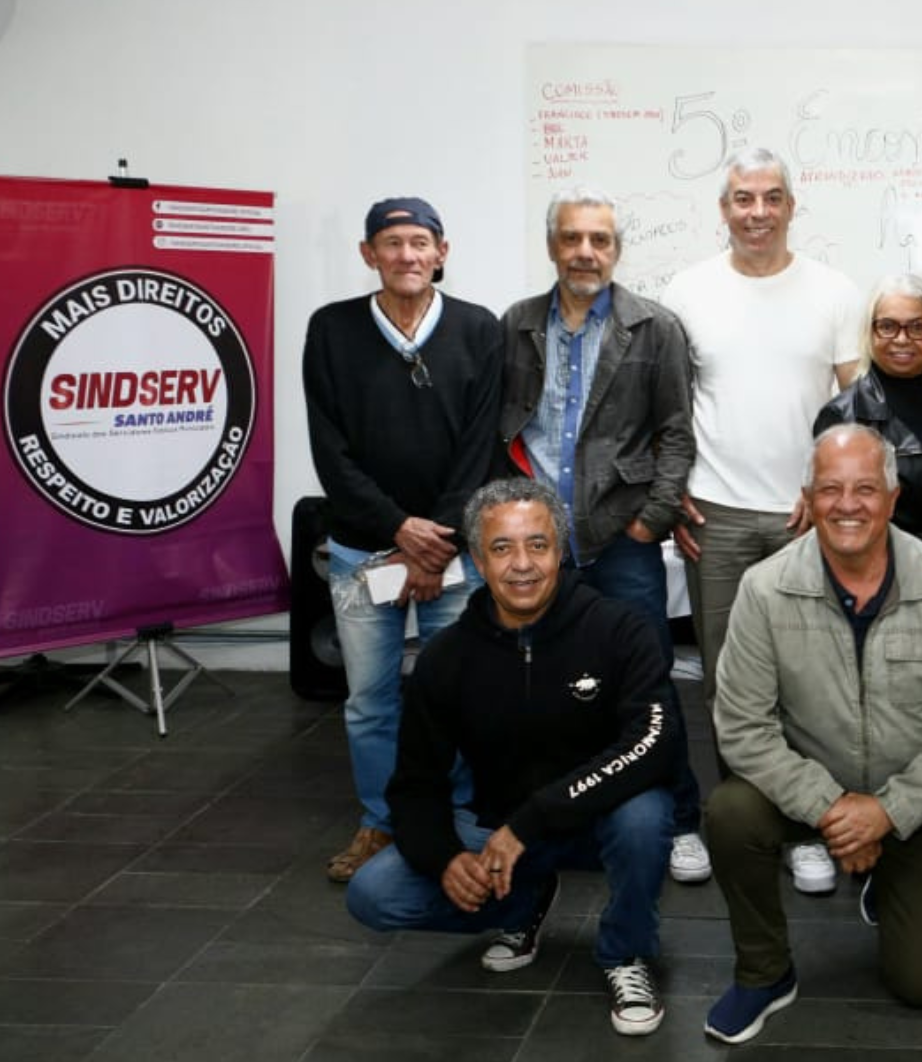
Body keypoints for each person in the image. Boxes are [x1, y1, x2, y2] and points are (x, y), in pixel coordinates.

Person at [701, 425, 922, 1043]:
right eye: (830, 490)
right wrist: (835, 809)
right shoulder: (764, 589)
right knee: (731, 812)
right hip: (806, 792)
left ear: (893, 499)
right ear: (807, 500)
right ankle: (764, 973)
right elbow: (742, 727)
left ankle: (888, 869)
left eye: (866, 489)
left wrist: (887, 812)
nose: (848, 505)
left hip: (917, 802)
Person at [345, 478, 677, 1036]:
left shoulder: (619, 629)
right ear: (479, 560)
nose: (522, 564)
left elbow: (653, 745)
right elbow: (415, 785)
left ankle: (626, 951)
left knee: (645, 816)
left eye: (537, 545)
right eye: (502, 548)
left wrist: (533, 820)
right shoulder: (447, 656)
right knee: (373, 895)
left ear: (560, 551)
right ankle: (523, 902)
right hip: (499, 833)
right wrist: (445, 859)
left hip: (596, 821)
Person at [661, 147, 864, 895]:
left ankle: (808, 827)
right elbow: (667, 402)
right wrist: (672, 488)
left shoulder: (834, 291)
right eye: (743, 198)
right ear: (723, 208)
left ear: (790, 206)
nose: (757, 212)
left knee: (809, 683)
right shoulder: (687, 291)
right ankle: (740, 822)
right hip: (713, 514)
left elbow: (856, 407)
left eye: (771, 197)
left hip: (805, 519)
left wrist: (827, 487)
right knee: (727, 683)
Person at [496, 185, 711, 886]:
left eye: (600, 240)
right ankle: (565, 818)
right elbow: (503, 424)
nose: (585, 252)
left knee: (646, 686)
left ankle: (681, 821)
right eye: (572, 238)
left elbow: (676, 432)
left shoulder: (655, 327)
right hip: (538, 545)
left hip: (621, 539)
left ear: (617, 250)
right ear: (552, 245)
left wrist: (652, 519)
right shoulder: (516, 324)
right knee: (544, 685)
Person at [303, 197, 503, 883]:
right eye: (392, 243)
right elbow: (329, 451)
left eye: (420, 242)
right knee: (370, 702)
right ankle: (381, 822)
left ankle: (454, 817)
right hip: (364, 551)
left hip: (453, 552)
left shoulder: (478, 329)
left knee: (457, 695)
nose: (407, 255)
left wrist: (435, 541)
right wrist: (398, 529)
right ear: (369, 255)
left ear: (442, 252)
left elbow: (480, 449)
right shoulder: (332, 330)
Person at [814, 273, 922, 558]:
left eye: (917, 327)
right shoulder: (843, 416)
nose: (902, 339)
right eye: (887, 326)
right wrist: (919, 554)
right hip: (894, 569)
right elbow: (839, 516)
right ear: (870, 333)